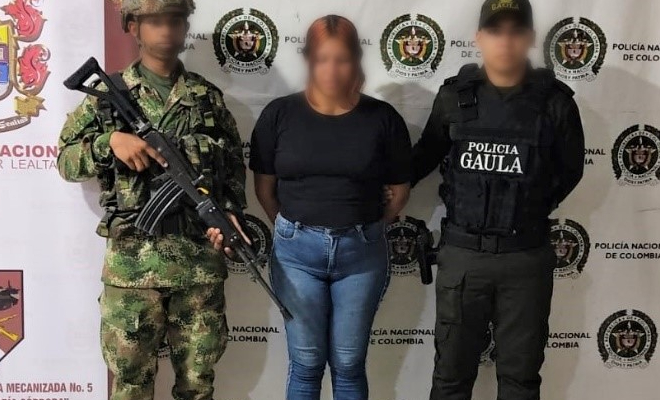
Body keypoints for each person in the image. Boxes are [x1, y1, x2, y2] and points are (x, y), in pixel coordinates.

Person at [210, 14, 411, 400]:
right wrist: (292, 229)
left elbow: (399, 192)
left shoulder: (383, 119)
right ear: (309, 60)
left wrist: (364, 225)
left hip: (362, 256)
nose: (331, 69)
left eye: (341, 59)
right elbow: (265, 188)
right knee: (306, 363)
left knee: (349, 363)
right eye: (322, 59)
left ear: (355, 60)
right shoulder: (279, 115)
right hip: (296, 255)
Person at [57, 1, 246, 399]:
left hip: (198, 269)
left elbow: (232, 171)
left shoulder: (207, 99)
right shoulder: (107, 97)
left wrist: (227, 215)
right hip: (133, 270)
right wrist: (110, 142)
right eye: (155, 21)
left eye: (175, 20)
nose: (167, 30)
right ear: (133, 27)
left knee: (198, 387)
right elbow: (66, 161)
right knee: (130, 387)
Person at [411, 1, 585, 399]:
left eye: (515, 31)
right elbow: (422, 159)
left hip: (524, 258)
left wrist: (525, 209)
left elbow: (569, 172)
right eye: (495, 30)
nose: (505, 40)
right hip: (463, 256)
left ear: (530, 38)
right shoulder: (454, 97)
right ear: (479, 38)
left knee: (520, 381)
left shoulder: (555, 102)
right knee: (450, 379)